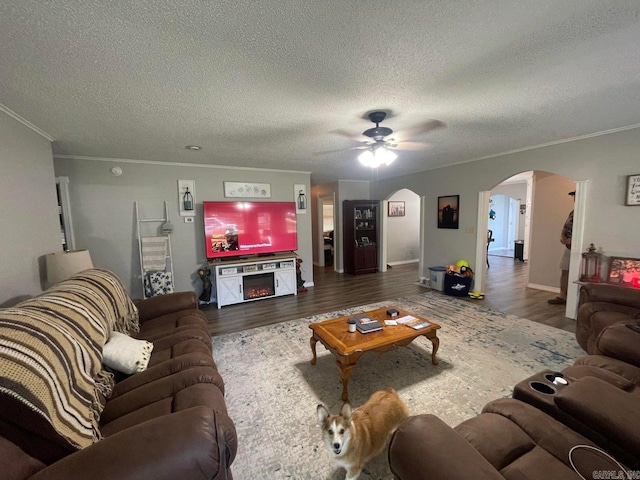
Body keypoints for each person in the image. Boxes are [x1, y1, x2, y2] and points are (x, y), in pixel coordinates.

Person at [548, 191, 575, 305]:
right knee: (564, 270)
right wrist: (562, 237)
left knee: (576, 273)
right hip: (568, 247)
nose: (574, 198)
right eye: (574, 196)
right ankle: (562, 295)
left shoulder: (586, 212)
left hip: (577, 248)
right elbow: (567, 227)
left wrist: (573, 241)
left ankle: (574, 298)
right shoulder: (573, 212)